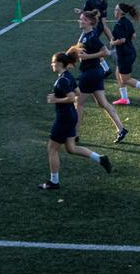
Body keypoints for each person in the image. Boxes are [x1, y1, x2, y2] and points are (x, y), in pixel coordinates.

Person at [41, 51, 112, 190]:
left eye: (53, 62)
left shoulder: (62, 80)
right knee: (71, 148)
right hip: (71, 116)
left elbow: (73, 97)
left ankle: (54, 182)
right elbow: (78, 92)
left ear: (60, 64)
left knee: (52, 149)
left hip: (64, 119)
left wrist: (56, 99)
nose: (52, 65)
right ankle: (100, 158)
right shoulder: (68, 76)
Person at [74, 11, 128, 143]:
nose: (79, 21)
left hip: (90, 73)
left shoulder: (92, 37)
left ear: (88, 22)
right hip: (95, 72)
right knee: (102, 103)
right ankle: (121, 129)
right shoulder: (85, 34)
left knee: (79, 103)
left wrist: (87, 57)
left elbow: (105, 51)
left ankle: (74, 134)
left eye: (82, 19)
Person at [110, 3, 140, 105]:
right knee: (118, 74)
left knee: (126, 80)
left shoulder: (119, 25)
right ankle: (124, 98)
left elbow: (121, 40)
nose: (114, 11)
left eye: (116, 9)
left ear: (120, 12)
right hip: (130, 52)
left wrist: (113, 42)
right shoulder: (127, 22)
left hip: (124, 54)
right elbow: (134, 35)